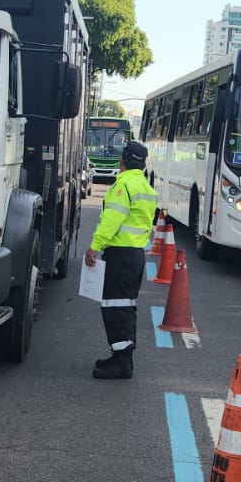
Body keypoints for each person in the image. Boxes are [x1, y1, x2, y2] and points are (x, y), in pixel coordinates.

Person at [83, 141, 159, 380]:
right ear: (144, 164)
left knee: (115, 307)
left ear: (122, 160)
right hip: (135, 255)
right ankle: (122, 356)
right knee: (125, 306)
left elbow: (111, 220)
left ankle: (122, 362)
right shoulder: (146, 187)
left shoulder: (123, 185)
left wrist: (95, 246)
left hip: (120, 254)